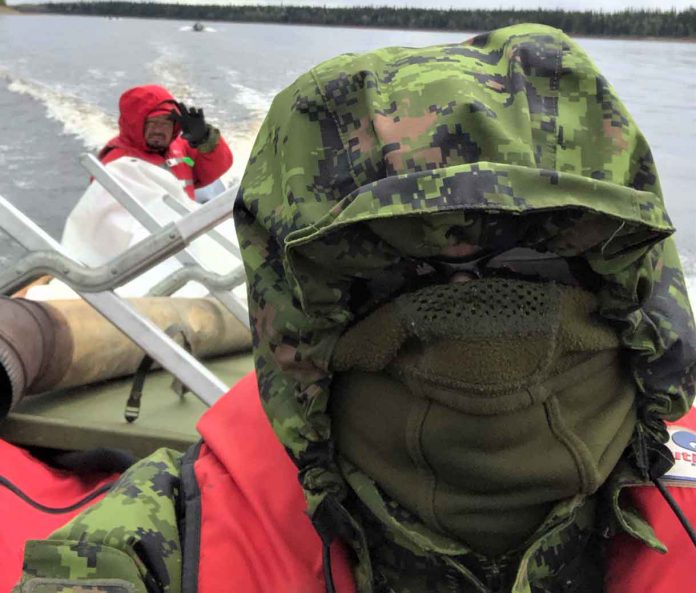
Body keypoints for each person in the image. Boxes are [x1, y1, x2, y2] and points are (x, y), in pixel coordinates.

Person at [12, 23, 696, 593]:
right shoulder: (159, 546)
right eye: (396, 275)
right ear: (304, 329)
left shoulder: (191, 152)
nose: (471, 307)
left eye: (532, 265)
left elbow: (215, 172)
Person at [98, 84, 233, 200]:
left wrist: (204, 138)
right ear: (136, 125)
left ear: (175, 126)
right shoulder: (115, 162)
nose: (159, 130)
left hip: (188, 224)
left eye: (166, 123)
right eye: (153, 122)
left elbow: (216, 168)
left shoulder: (180, 148)